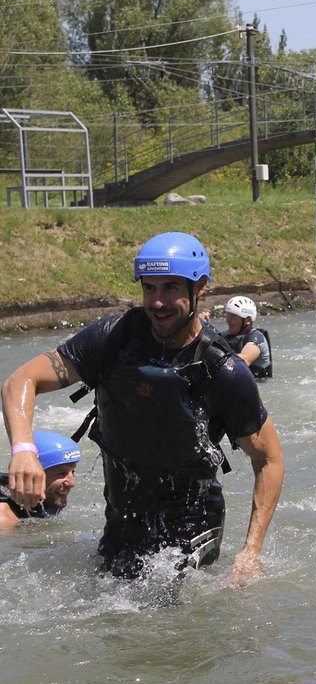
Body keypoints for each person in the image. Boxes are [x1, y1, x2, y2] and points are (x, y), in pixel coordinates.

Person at [2, 232, 284, 586]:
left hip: (192, 524)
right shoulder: (113, 338)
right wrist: (24, 449)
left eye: (170, 288)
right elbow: (21, 380)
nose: (157, 302)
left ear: (200, 288)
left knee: (162, 622)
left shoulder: (223, 370)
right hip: (122, 519)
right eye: (149, 288)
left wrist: (251, 553)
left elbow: (270, 460)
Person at [0, 430, 80, 530]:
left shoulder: (45, 501)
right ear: (31, 475)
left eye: (73, 471)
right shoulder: (4, 520)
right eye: (61, 473)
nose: (72, 483)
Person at [222, 296, 272, 379]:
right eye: (228, 315)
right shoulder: (225, 335)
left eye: (233, 317)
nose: (227, 320)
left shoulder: (256, 339)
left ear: (248, 320)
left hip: (255, 386)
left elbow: (243, 360)